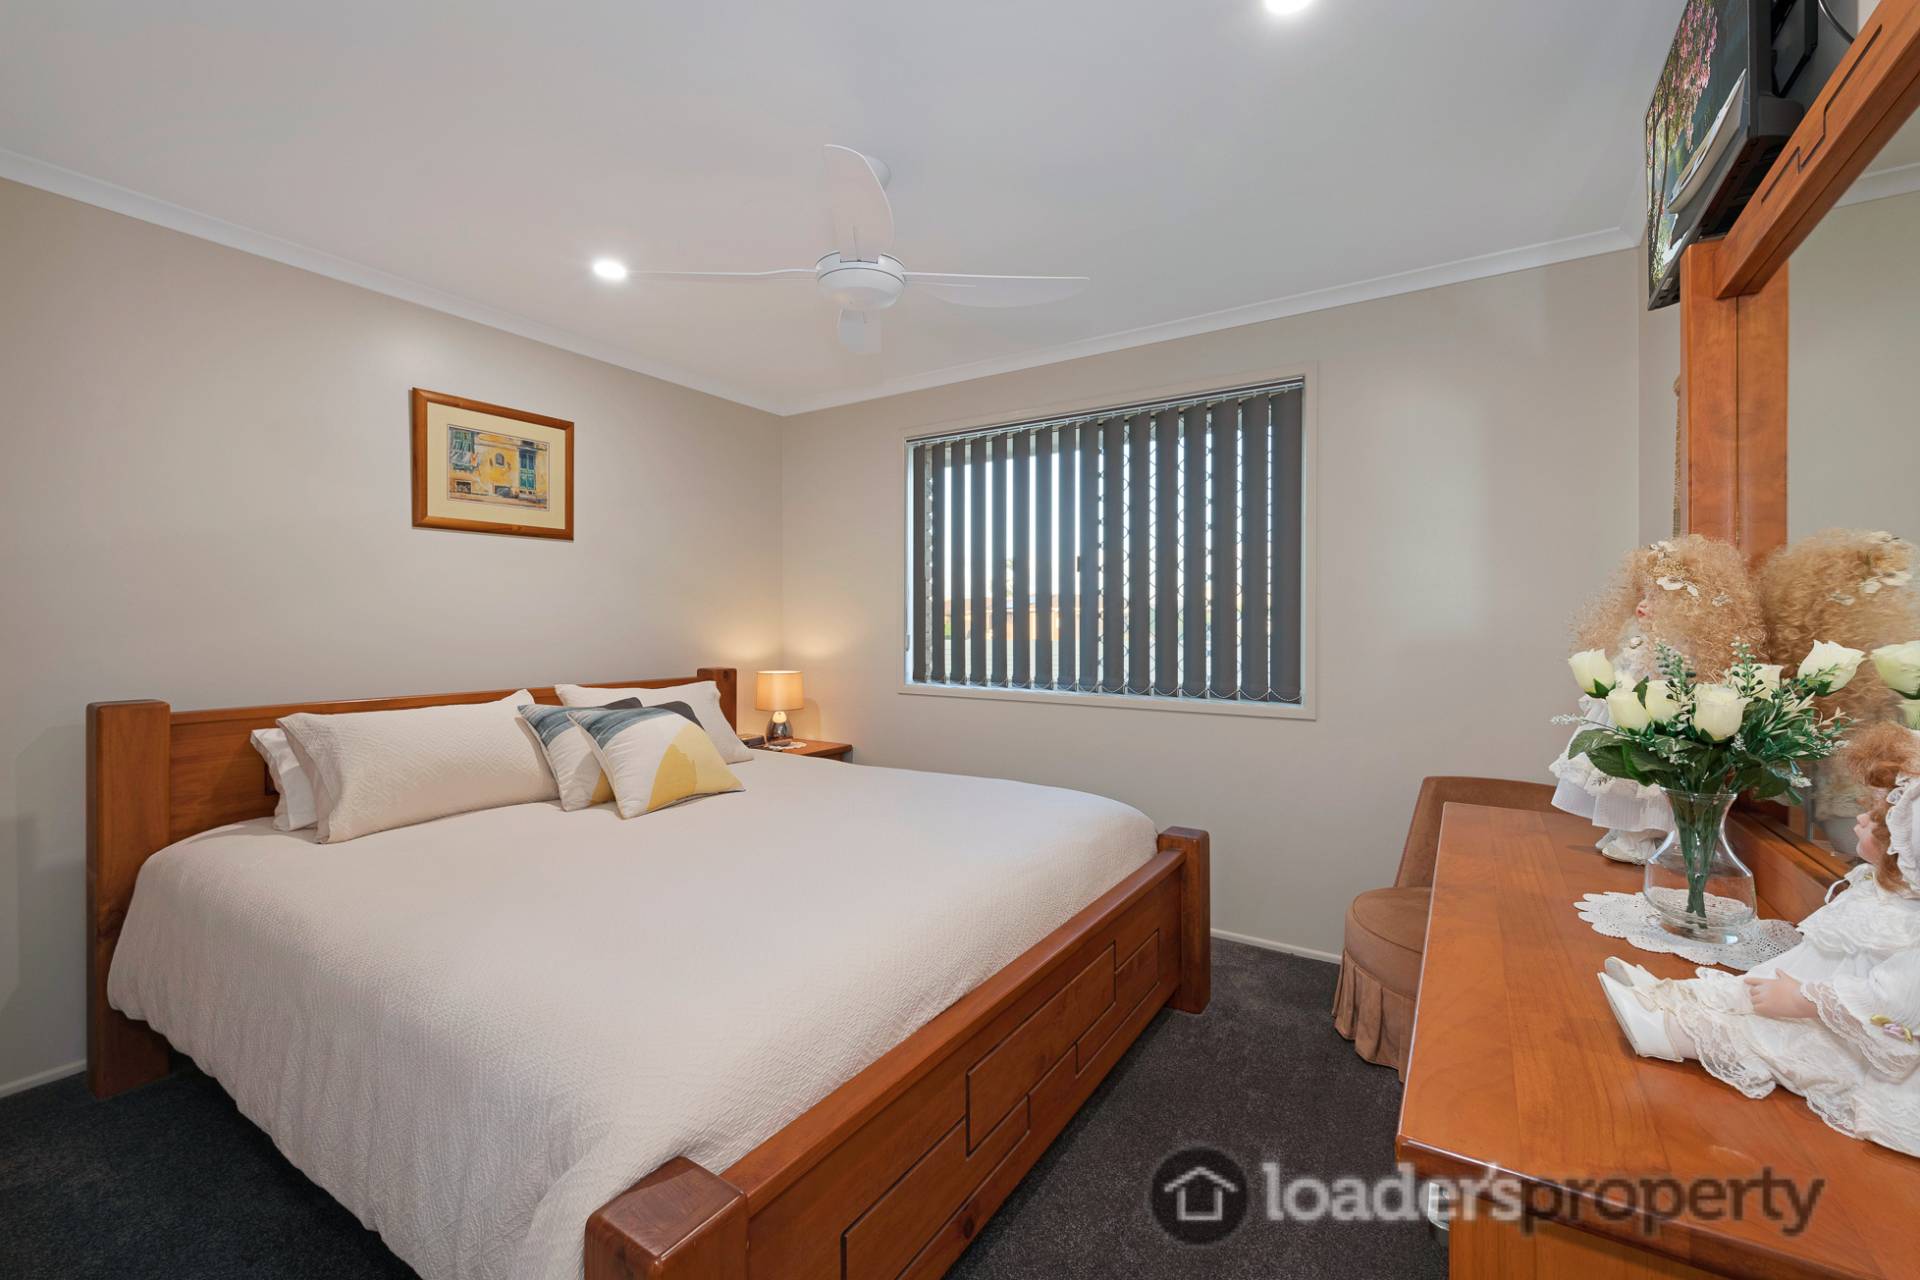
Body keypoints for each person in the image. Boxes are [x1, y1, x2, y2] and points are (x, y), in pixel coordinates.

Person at [1599, 724, 1920, 1157]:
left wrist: (1805, 999)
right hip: (1799, 992)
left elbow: (1894, 1001)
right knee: (1746, 995)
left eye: (1878, 820)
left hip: (1838, 1030)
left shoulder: (1910, 926)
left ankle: (1668, 1033)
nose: (1861, 819)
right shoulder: (1880, 889)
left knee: (1773, 1040)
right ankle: (1671, 996)